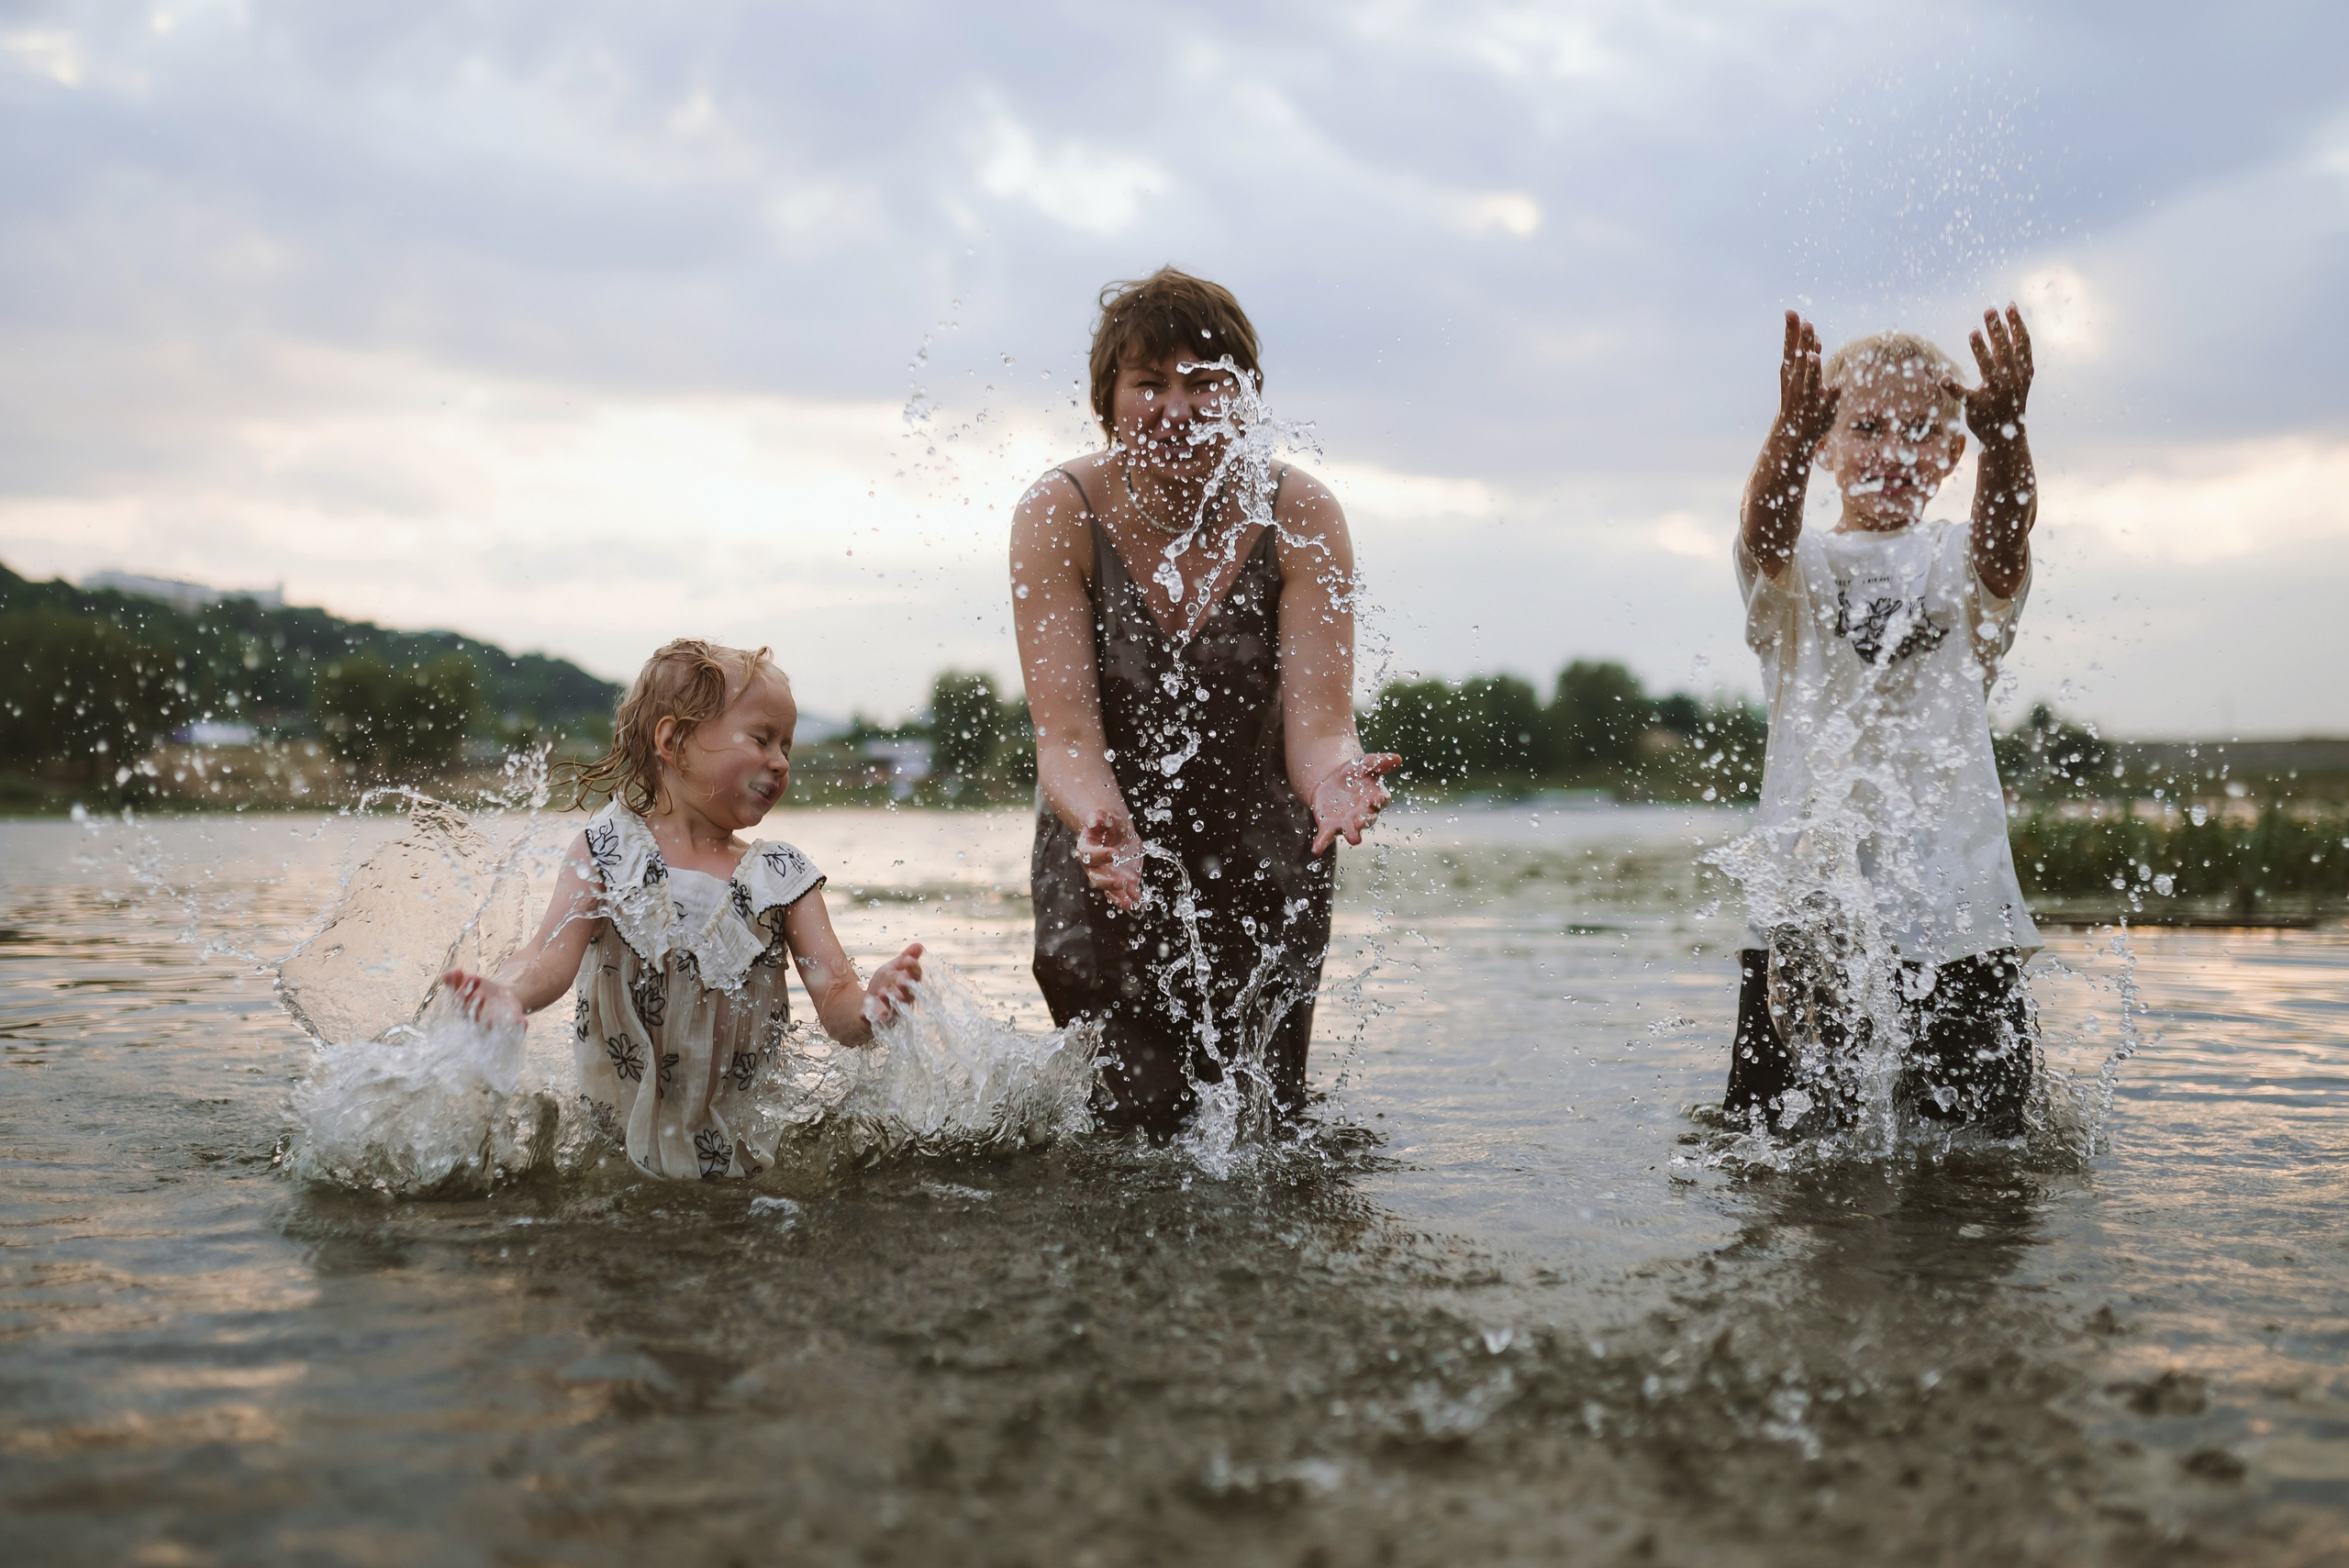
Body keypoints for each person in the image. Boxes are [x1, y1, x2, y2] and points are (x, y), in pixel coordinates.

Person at [1009, 268, 1399, 1136]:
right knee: (1122, 1132)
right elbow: (1066, 738)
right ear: (1109, 399)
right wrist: (1106, 828)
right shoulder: (1060, 513)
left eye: (1206, 381)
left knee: (1261, 1129)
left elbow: (1323, 727)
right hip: (1107, 854)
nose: (1177, 406)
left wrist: (1338, 779)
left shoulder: (1300, 514)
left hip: (1263, 859)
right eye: (1150, 383)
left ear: (1245, 397)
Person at [1724, 306, 2043, 1138]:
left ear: (1950, 455)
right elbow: (1765, 535)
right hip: (1812, 925)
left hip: (1959, 921)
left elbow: (2007, 546)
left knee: (1985, 1164)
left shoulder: (1955, 559)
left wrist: (2007, 438)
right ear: (1826, 447)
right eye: (1865, 428)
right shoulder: (1800, 574)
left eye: (1921, 431)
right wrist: (1786, 438)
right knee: (1782, 1151)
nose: (1895, 450)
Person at [441, 639, 923, 1179]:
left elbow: (835, 996)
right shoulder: (608, 849)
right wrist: (509, 993)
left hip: (743, 1159)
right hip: (614, 1145)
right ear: (674, 741)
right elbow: (548, 954)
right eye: (762, 739)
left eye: (786, 746)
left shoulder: (783, 877)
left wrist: (871, 1006)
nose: (781, 761)